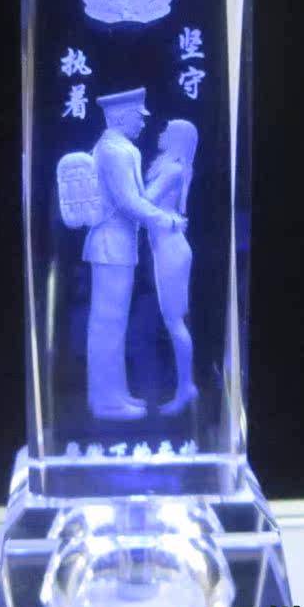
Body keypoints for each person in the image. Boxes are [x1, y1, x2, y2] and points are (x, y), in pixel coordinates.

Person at [83, 88, 187, 420]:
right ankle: (105, 400)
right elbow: (129, 203)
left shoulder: (119, 148)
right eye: (137, 117)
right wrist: (165, 219)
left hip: (118, 244)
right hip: (110, 244)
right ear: (119, 117)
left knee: (113, 322)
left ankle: (114, 394)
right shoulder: (115, 151)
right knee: (107, 323)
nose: (143, 123)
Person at [145, 119, 199, 415]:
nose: (161, 133)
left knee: (175, 321)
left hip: (171, 249)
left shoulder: (172, 170)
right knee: (173, 321)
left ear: (177, 138)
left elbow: (145, 201)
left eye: (167, 130)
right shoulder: (170, 167)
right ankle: (185, 386)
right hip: (166, 247)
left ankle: (186, 387)